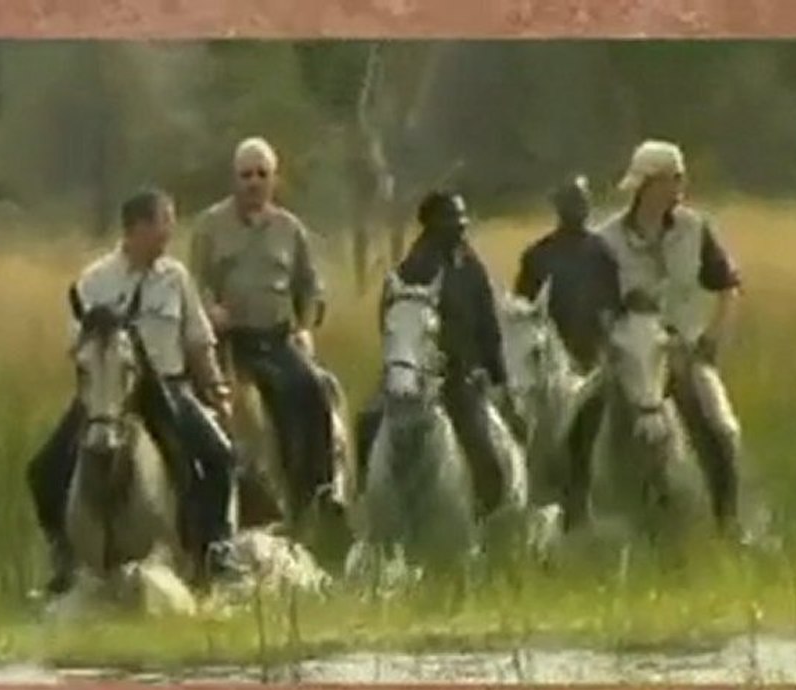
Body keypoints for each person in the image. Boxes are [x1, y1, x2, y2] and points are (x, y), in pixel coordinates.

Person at [26, 187, 243, 596]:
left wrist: (215, 388)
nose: (169, 233)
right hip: (106, 391)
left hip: (168, 387)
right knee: (43, 469)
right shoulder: (94, 281)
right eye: (164, 223)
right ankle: (63, 556)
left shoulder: (176, 277)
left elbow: (198, 341)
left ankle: (217, 549)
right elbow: (77, 348)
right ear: (137, 228)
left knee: (218, 455)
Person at [595, 139, 744, 534]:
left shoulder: (696, 228)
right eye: (672, 178)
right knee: (581, 419)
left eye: (680, 177)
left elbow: (728, 285)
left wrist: (713, 338)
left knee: (722, 428)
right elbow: (595, 301)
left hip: (683, 349)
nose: (680, 185)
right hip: (630, 353)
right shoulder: (606, 240)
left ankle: (728, 522)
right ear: (649, 184)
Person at [188, 137, 333, 520]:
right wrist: (210, 310)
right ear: (234, 179)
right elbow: (195, 283)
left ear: (274, 179)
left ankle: (320, 491)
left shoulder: (291, 229)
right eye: (246, 175)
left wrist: (305, 327)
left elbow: (311, 287)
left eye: (261, 174)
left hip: (278, 340)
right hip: (229, 344)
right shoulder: (209, 227)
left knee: (314, 391)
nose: (253, 182)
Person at [355, 190, 510, 517]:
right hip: (412, 375)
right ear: (431, 224)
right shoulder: (410, 271)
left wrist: (496, 372)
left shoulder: (470, 267)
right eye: (452, 219)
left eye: (462, 218)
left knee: (483, 446)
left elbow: (487, 323)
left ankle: (488, 514)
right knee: (367, 423)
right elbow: (392, 324)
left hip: (460, 375)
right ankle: (364, 504)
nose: (460, 225)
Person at [513, 174, 623, 528]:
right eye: (570, 202)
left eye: (581, 201)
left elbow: (613, 308)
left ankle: (588, 503)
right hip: (545, 364)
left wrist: (607, 352)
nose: (577, 208)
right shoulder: (537, 256)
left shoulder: (602, 254)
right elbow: (522, 311)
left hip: (591, 362)